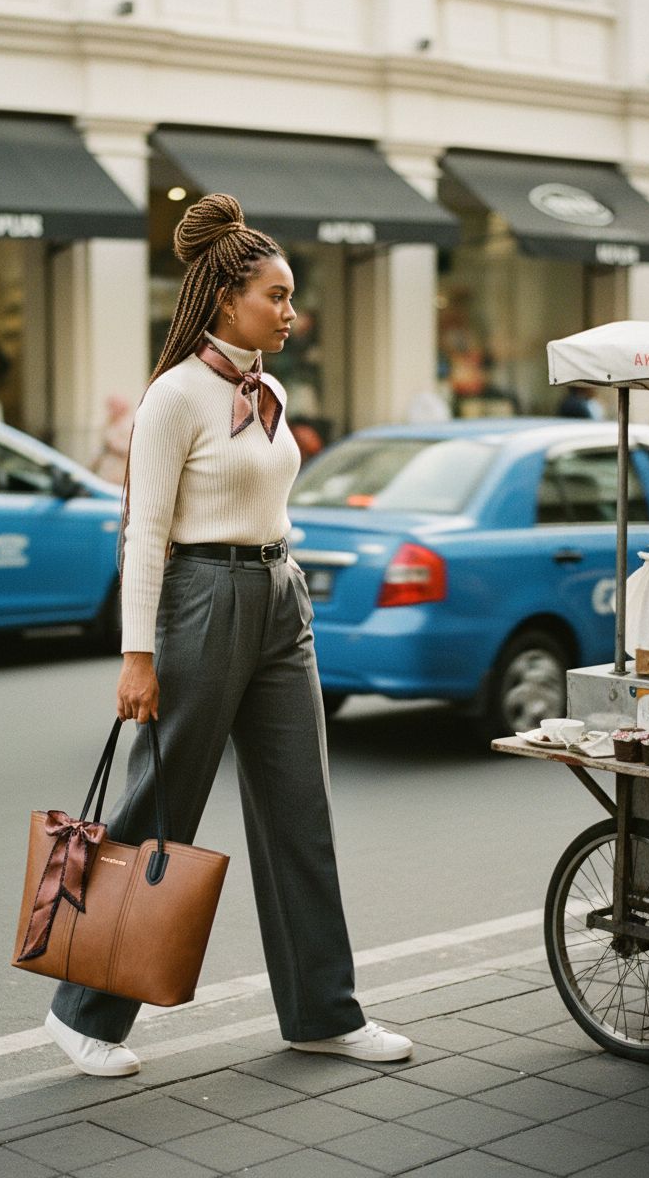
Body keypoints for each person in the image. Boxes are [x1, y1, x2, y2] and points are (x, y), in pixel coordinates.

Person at [44, 193, 413, 1077]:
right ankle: (80, 1011)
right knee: (159, 809)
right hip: (200, 598)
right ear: (224, 299)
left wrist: (286, 574)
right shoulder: (174, 396)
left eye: (291, 297)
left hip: (280, 598)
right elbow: (142, 529)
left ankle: (323, 1012)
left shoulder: (273, 390)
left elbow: (265, 497)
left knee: (301, 812)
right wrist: (138, 654)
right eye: (277, 296)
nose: (292, 312)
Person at [90, 394, 134, 485]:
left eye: (113, 406)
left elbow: (131, 449)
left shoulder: (130, 424)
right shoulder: (108, 423)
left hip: (121, 473)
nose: (110, 410)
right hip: (106, 473)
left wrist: (114, 445)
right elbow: (101, 449)